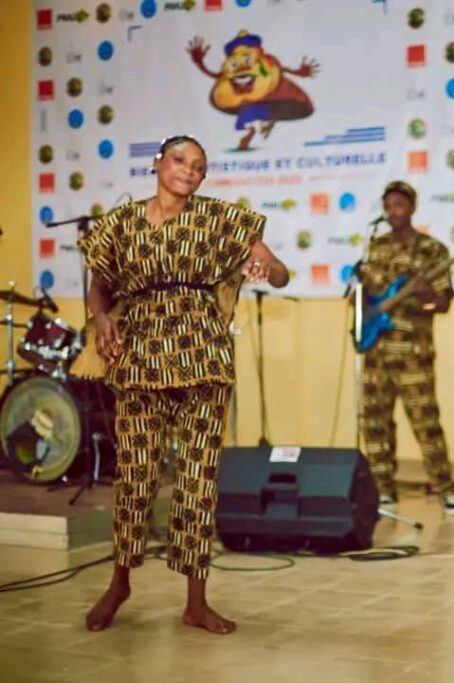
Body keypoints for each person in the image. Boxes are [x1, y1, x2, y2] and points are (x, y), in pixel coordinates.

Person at [80, 135, 289, 634]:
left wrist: (265, 268)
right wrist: (101, 317)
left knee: (198, 479)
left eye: (199, 166)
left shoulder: (221, 219)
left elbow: (278, 271)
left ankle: (196, 600)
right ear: (157, 164)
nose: (188, 171)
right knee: (135, 476)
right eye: (179, 160)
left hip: (203, 357)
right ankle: (119, 582)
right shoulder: (120, 225)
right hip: (140, 358)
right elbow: (98, 286)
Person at [358, 181, 454, 516]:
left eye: (400, 204)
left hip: (413, 354)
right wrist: (360, 315)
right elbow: (365, 296)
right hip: (375, 351)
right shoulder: (374, 248)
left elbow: (443, 303)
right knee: (374, 424)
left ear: (412, 207)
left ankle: (444, 488)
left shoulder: (432, 250)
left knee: (426, 423)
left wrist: (425, 294)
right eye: (389, 205)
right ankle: (383, 490)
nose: (394, 211)